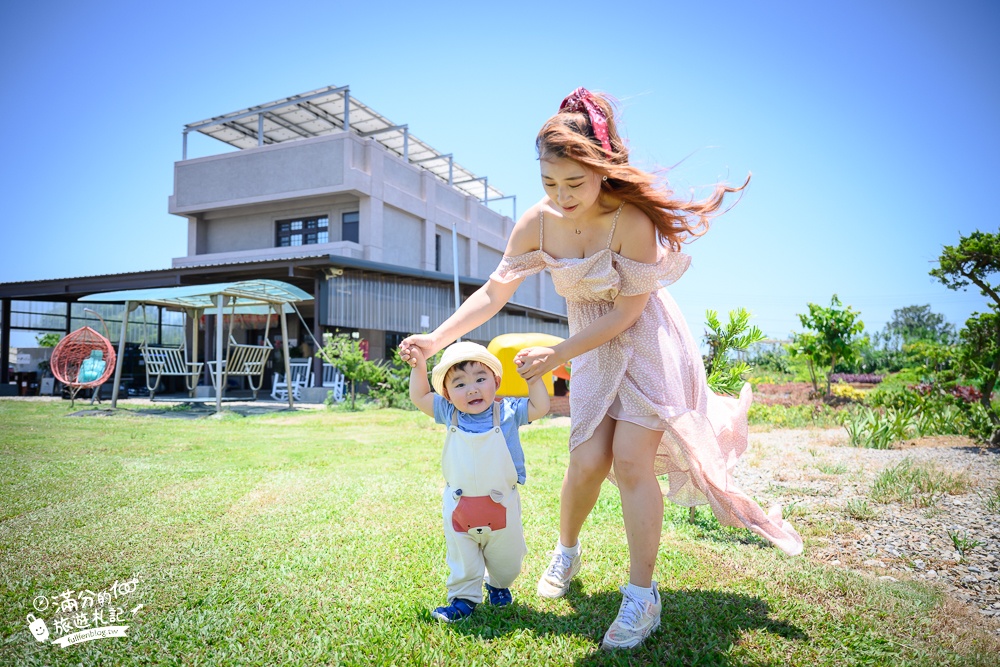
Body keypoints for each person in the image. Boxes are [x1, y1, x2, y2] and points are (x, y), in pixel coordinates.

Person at [400, 87, 802, 649]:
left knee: (632, 462)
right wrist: (437, 338)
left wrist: (560, 353)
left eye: (574, 183)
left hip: (643, 342)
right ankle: (566, 551)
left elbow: (628, 312)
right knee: (587, 460)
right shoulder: (537, 225)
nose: (561, 196)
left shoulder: (630, 221)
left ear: (602, 168)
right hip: (589, 347)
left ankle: (642, 597)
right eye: (549, 183)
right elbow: (495, 291)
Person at [408, 341, 550, 622]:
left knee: (508, 562)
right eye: (459, 384)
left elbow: (540, 406)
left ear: (496, 382)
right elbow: (419, 396)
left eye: (480, 379)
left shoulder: (508, 411)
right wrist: (419, 365)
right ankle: (463, 600)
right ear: (446, 394)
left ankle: (498, 584)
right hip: (460, 504)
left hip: (502, 503)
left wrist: (533, 377)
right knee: (463, 557)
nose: (472, 389)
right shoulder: (450, 413)